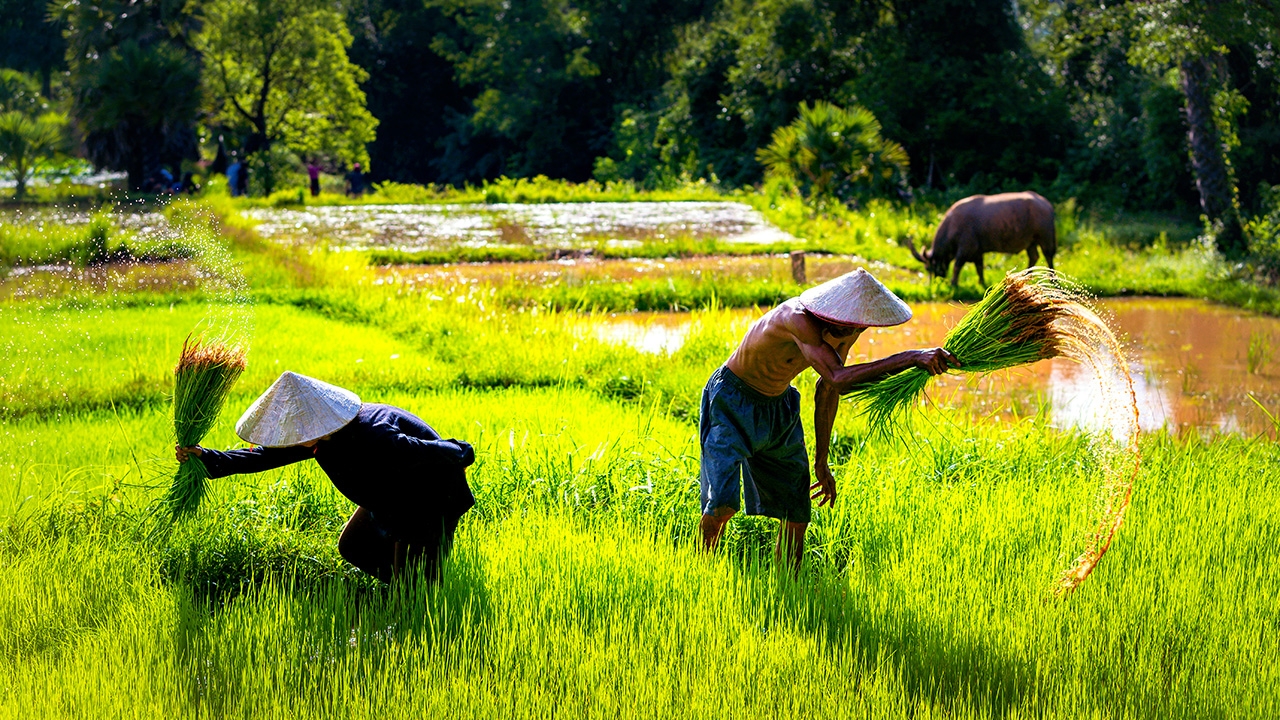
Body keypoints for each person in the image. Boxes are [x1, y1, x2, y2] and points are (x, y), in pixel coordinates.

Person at [698, 268, 959, 570]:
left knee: (796, 511)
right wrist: (911, 357)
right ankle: (702, 569)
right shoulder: (796, 318)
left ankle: (789, 582)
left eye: (859, 325)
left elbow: (826, 391)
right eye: (849, 322)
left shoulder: (849, 331)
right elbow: (839, 378)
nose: (853, 330)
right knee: (723, 505)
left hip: (780, 407)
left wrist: (822, 461)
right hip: (733, 401)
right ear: (832, 310)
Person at [175, 371, 476, 583]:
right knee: (355, 546)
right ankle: (408, 587)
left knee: (414, 587)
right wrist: (207, 457)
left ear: (318, 422)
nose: (293, 438)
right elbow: (266, 456)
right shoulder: (321, 437)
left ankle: (418, 598)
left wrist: (463, 453)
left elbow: (434, 451)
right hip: (387, 497)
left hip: (425, 501)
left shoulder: (376, 434)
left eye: (297, 431)